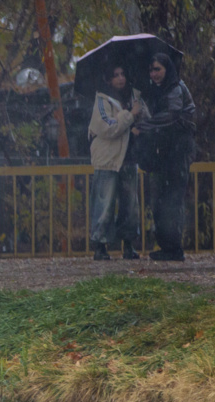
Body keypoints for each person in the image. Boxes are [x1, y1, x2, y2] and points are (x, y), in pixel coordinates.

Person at [133, 53, 196, 261]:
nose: (154, 74)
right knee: (158, 199)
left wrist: (144, 126)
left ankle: (174, 247)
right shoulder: (156, 92)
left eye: (158, 69)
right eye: (152, 70)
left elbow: (171, 115)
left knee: (173, 199)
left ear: (167, 69)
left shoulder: (176, 88)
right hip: (163, 152)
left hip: (177, 152)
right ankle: (166, 245)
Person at [88, 65, 143, 260]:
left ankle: (128, 244)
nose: (120, 78)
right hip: (108, 159)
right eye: (116, 75)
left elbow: (141, 120)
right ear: (109, 79)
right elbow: (106, 127)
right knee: (104, 203)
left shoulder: (134, 97)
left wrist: (135, 124)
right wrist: (129, 116)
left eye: (123, 74)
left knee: (130, 205)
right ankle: (100, 245)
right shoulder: (102, 100)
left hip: (129, 156)